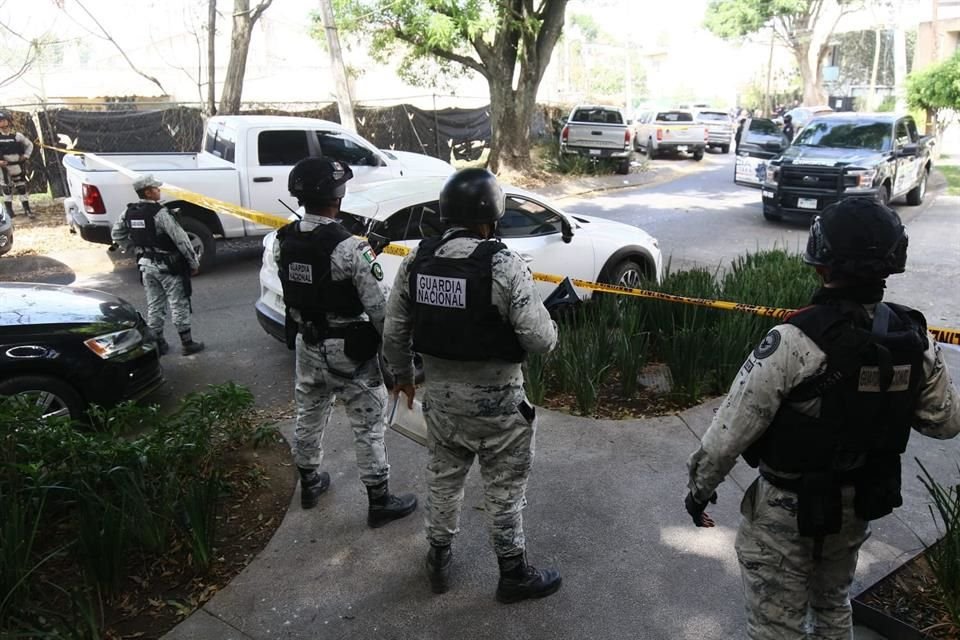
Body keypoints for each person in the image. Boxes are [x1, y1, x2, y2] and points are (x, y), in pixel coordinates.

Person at [684, 196, 960, 640]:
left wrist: (699, 491)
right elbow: (944, 422)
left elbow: (727, 435)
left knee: (777, 626)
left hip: (784, 513)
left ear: (821, 264)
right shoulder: (915, 340)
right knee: (832, 607)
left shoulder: (793, 341)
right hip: (857, 505)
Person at [382, 168, 561, 604]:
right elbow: (541, 340)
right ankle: (513, 573)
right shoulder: (503, 264)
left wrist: (404, 376)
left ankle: (438, 559)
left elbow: (393, 333)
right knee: (504, 488)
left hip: (441, 402)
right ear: (492, 214)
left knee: (444, 480)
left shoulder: (416, 261)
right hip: (500, 406)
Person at [274, 156, 417, 525]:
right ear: (339, 194)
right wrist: (401, 365)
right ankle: (379, 500)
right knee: (367, 425)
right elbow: (381, 311)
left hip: (307, 343)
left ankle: (308, 482)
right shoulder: (352, 247)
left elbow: (299, 288)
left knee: (309, 413)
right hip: (349, 351)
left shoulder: (283, 240)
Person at [111, 174, 205, 356]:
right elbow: (182, 240)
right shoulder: (160, 213)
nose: (159, 190)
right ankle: (187, 343)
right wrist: (193, 262)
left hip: (146, 265)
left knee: (155, 304)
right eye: (156, 188)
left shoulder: (129, 212)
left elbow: (117, 234)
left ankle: (159, 343)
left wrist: (136, 249)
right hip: (167, 266)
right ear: (148, 191)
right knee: (178, 302)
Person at [0, 110, 35, 219]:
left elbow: (29, 145)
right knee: (6, 188)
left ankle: (27, 209)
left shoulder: (17, 136)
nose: (1, 123)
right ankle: (9, 211)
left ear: (8, 121)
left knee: (21, 187)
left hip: (16, 165)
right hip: (3, 168)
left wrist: (26, 156)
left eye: (3, 120)